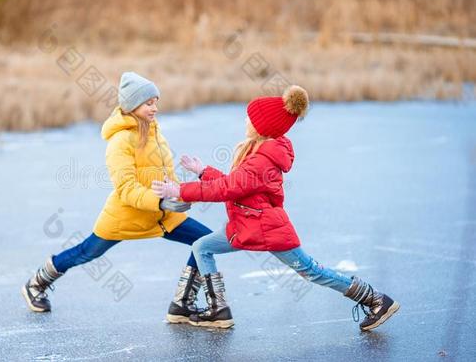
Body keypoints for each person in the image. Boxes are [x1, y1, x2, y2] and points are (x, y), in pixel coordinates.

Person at [152, 85, 399, 331]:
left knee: (311, 271)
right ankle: (218, 309)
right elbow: (237, 185)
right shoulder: (259, 152)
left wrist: (180, 191)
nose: (246, 121)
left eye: (250, 118)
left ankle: (376, 300)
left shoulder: (262, 160)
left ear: (263, 126)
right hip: (246, 224)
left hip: (265, 228)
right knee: (201, 247)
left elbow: (228, 188)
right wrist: (204, 171)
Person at [22, 72, 212, 324]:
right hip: (126, 216)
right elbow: (126, 188)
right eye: (149, 103)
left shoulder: (155, 132)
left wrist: (179, 194)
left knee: (205, 242)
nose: (155, 108)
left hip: (163, 216)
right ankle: (37, 283)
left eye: (156, 101)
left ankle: (182, 304)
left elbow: (167, 176)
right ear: (133, 105)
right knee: (86, 252)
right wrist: (160, 201)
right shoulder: (120, 141)